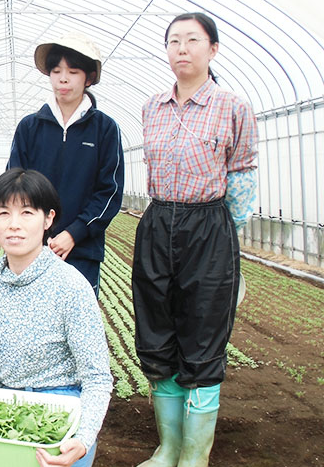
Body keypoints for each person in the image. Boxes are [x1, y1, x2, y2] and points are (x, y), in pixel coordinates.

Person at [132, 12, 258, 467]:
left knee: (203, 334)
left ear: (213, 49)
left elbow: (242, 175)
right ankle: (167, 448)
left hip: (209, 225)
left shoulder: (232, 106)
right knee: (157, 330)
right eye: (173, 41)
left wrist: (228, 241)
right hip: (158, 218)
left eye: (192, 40)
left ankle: (193, 455)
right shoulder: (150, 107)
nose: (181, 48)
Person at [0, 168, 113, 467]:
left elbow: (96, 378)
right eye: (3, 213)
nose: (14, 225)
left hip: (58, 416)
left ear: (48, 219)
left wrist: (81, 439)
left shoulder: (70, 285)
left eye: (27, 213)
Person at [8, 32, 124, 297]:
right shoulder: (30, 126)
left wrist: (75, 233)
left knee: (77, 326)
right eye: (56, 70)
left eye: (72, 71)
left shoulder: (104, 129)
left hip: (82, 249)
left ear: (89, 78)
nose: (63, 78)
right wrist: (35, 234)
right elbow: (15, 183)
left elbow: (109, 192)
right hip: (32, 249)